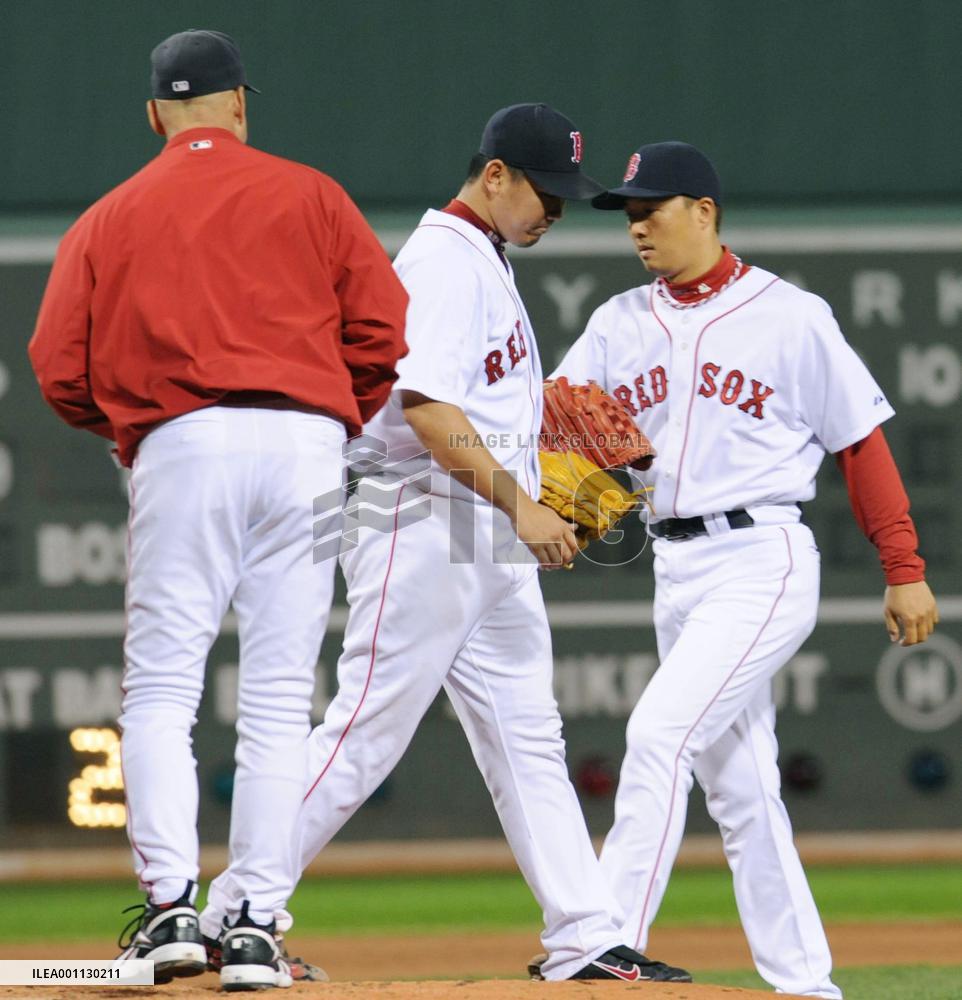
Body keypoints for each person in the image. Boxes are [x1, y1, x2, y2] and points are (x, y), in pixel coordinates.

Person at [200, 103, 692, 985]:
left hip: (477, 530)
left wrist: (525, 484)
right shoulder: (443, 263)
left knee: (527, 732)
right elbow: (426, 408)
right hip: (416, 513)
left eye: (566, 197)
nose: (555, 209)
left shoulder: (483, 258)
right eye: (545, 190)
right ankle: (235, 912)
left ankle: (585, 935)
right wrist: (524, 502)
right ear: (493, 174)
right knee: (362, 734)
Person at [28, 28, 408, 991]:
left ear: (155, 113)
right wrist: (332, 412)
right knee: (283, 695)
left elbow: (55, 368)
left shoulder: (108, 217)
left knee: (162, 688)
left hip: (181, 443)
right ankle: (255, 925)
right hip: (308, 447)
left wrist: (132, 426)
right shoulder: (314, 194)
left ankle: (171, 914)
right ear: (241, 104)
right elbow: (383, 331)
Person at [548, 140, 939, 997]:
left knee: (657, 736)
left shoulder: (790, 315)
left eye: (653, 208)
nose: (638, 226)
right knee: (745, 793)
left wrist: (902, 565)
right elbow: (560, 429)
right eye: (628, 213)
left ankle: (606, 944)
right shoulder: (618, 321)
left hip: (760, 557)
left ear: (705, 211)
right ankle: (807, 986)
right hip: (675, 565)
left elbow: (860, 443)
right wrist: (569, 504)